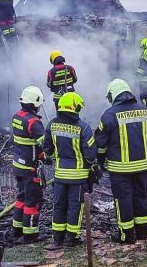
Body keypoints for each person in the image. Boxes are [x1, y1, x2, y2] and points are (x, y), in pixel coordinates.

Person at [95, 78, 147, 244]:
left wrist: (100, 162)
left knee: (123, 199)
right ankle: (143, 232)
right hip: (142, 166)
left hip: (119, 168)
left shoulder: (109, 115)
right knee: (140, 197)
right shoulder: (145, 111)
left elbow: (100, 145)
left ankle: (127, 235)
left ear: (113, 94)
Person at [42, 92, 97, 249]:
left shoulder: (52, 125)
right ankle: (72, 238)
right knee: (75, 206)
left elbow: (47, 149)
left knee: (59, 205)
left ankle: (57, 239)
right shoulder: (83, 127)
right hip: (78, 176)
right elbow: (91, 153)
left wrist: (56, 159)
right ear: (75, 108)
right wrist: (91, 164)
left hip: (60, 175)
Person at [10, 86, 46, 241]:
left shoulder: (16, 117)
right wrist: (48, 156)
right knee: (33, 201)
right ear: (34, 104)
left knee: (21, 199)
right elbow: (46, 145)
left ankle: (17, 230)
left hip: (18, 165)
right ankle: (30, 235)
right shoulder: (34, 122)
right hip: (30, 168)